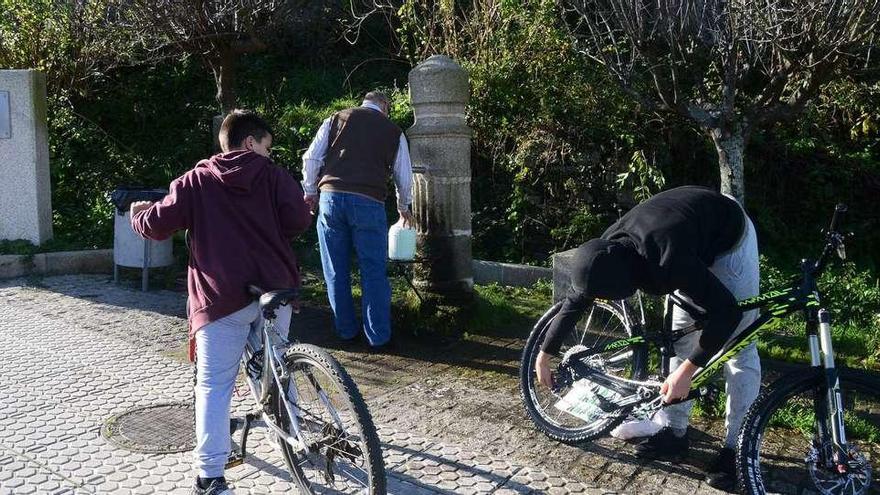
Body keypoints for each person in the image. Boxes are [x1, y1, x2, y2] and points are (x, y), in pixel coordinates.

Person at [129, 110, 312, 495]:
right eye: (267, 146)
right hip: (274, 291)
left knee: (214, 386)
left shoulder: (195, 181)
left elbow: (157, 225)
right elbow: (298, 221)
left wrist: (137, 215)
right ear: (250, 142)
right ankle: (300, 443)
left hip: (220, 297)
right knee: (279, 368)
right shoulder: (273, 176)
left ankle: (210, 477)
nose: (269, 154)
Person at [535, 185, 760, 491]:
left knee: (737, 346)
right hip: (682, 234)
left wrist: (688, 370)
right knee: (679, 340)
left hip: (727, 237)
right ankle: (674, 432)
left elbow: (727, 314)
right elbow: (576, 300)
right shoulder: (605, 250)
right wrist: (545, 353)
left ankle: (737, 449)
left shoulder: (668, 260)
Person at [301, 91, 415, 349]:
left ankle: (346, 331)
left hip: (330, 198)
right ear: (384, 106)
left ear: (365, 101)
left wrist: (310, 192)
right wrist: (403, 206)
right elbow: (403, 175)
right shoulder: (393, 131)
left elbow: (311, 157)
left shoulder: (336, 119)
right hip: (368, 201)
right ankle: (378, 336)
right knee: (373, 270)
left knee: (335, 268)